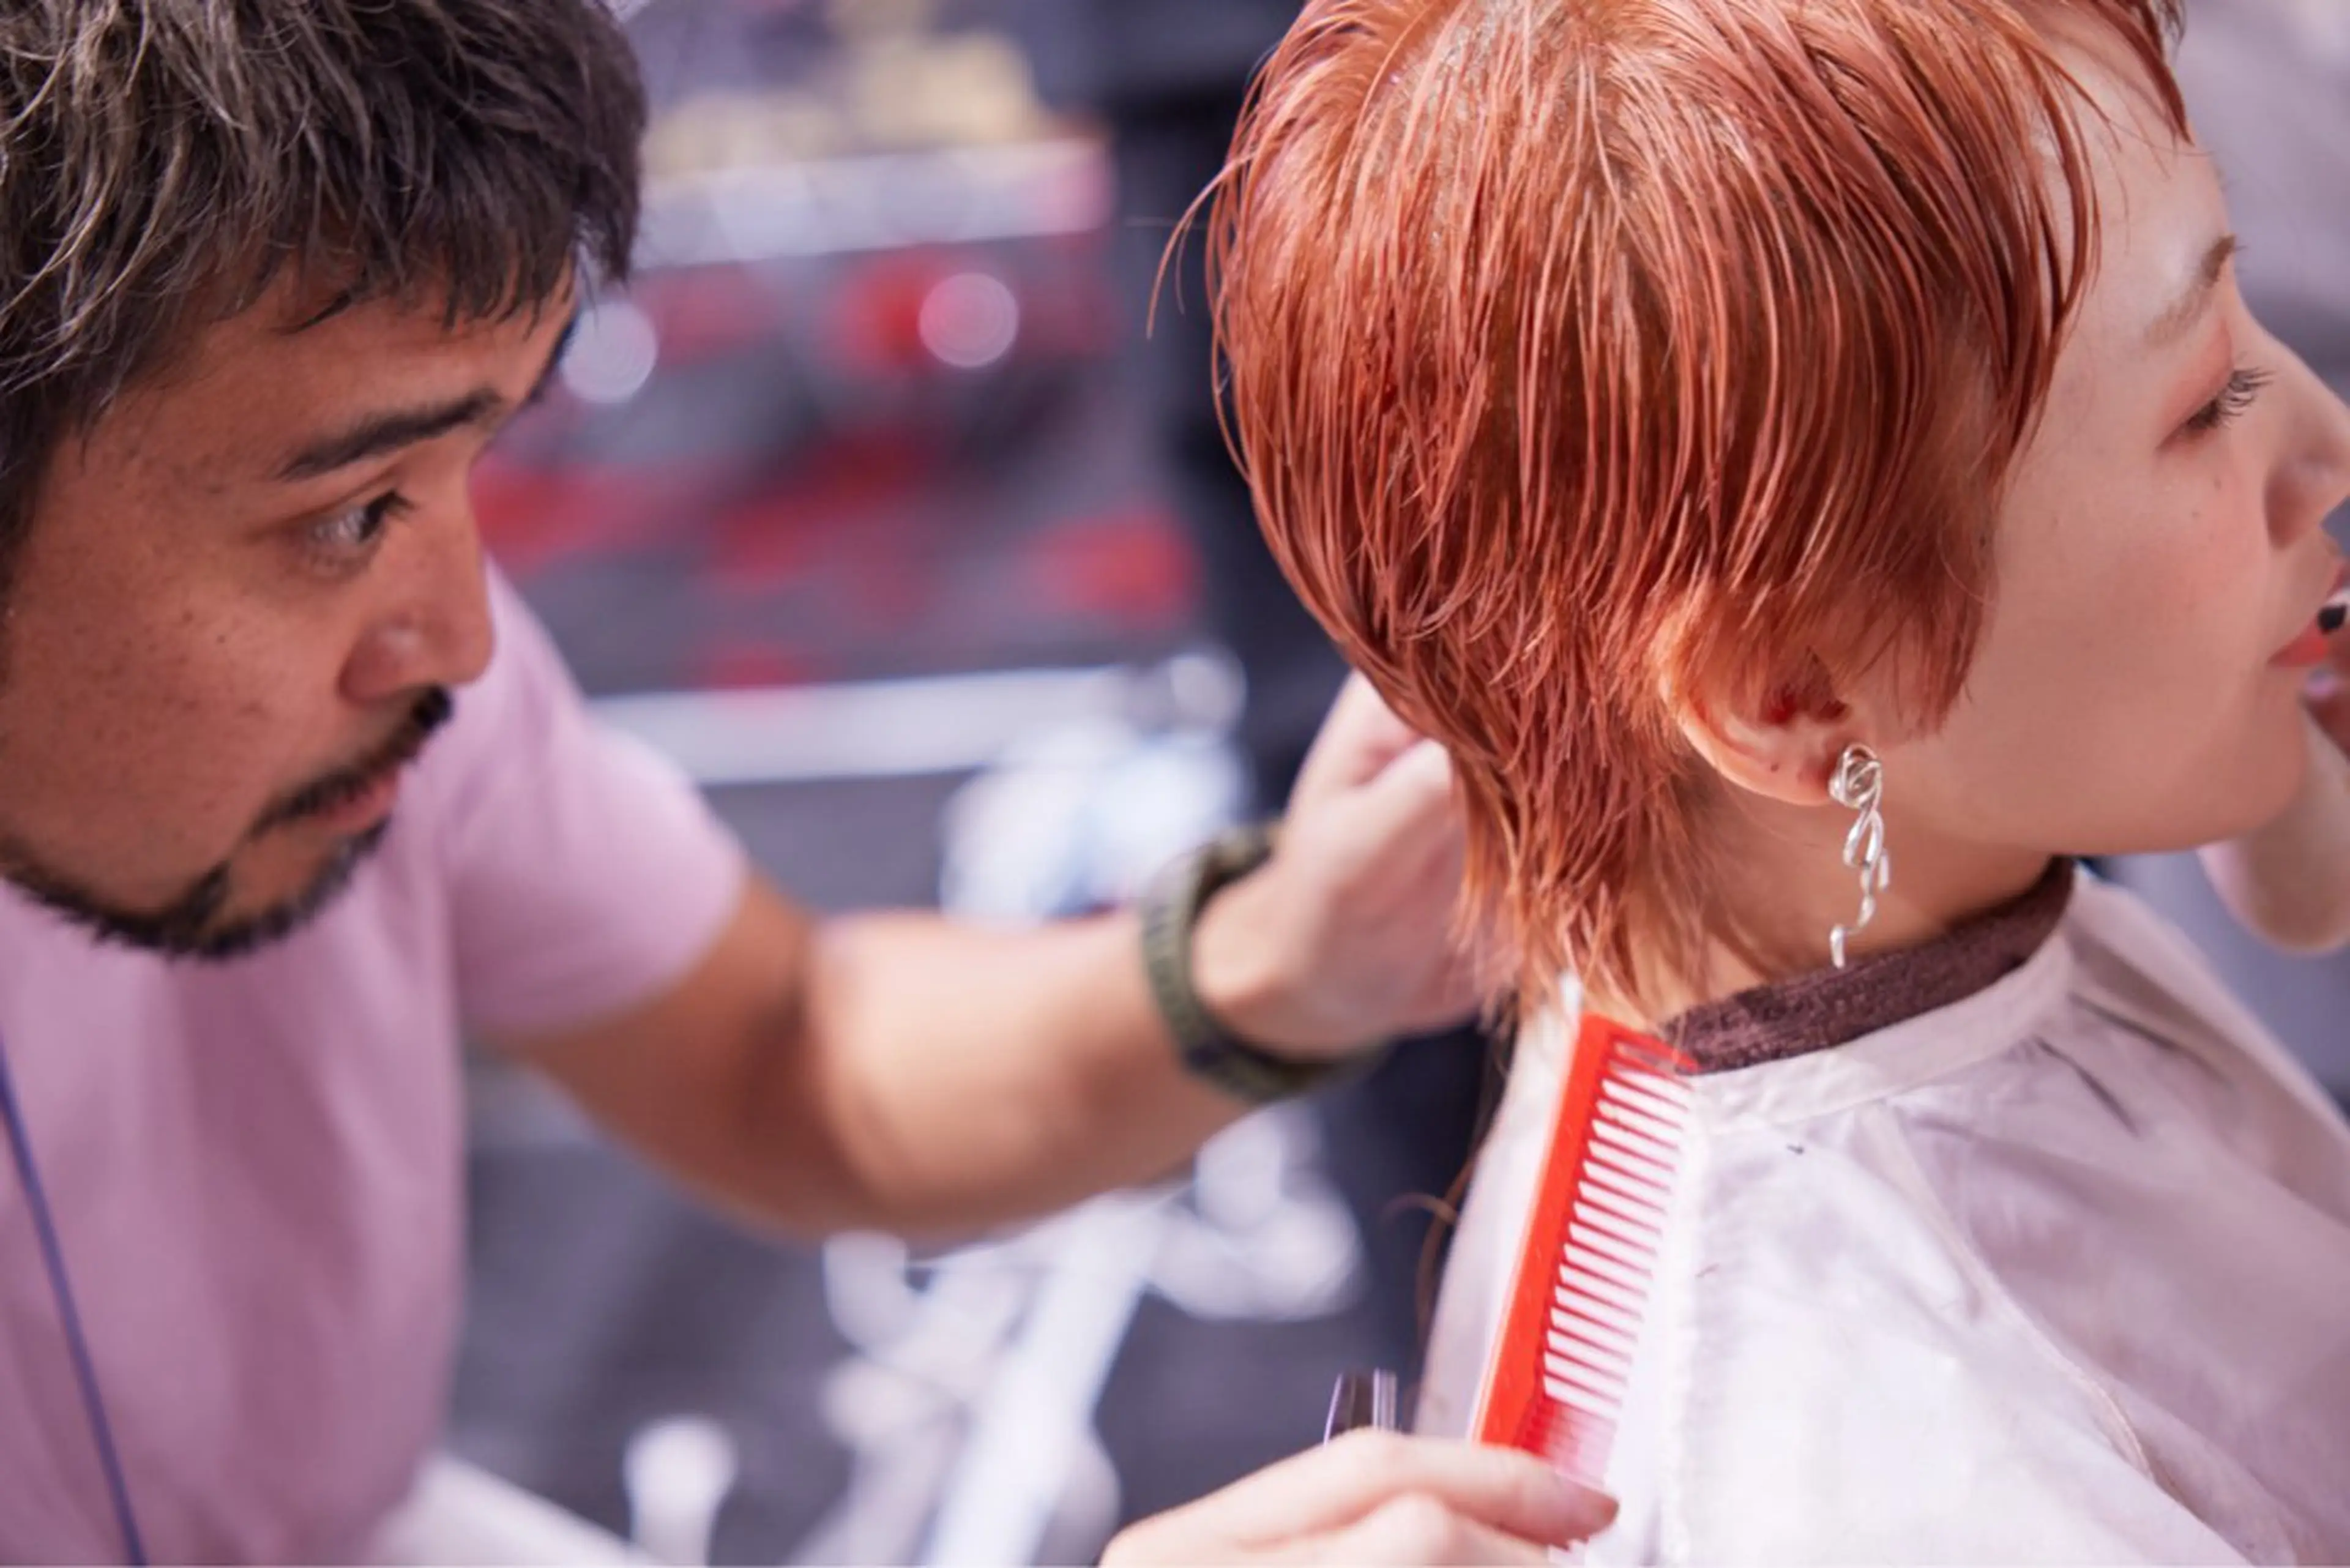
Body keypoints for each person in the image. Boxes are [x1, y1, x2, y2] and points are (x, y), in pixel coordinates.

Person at [0, 1, 1619, 1561]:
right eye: (351, 511)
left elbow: (787, 1054)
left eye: (467, 466)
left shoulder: (371, 678)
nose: (464, 642)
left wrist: (1285, 957)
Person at [1212, 0, 2350, 1558]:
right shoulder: (1918, 1465)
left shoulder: (1756, 921)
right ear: (1795, 696)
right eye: (2210, 398)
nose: (2327, 442)